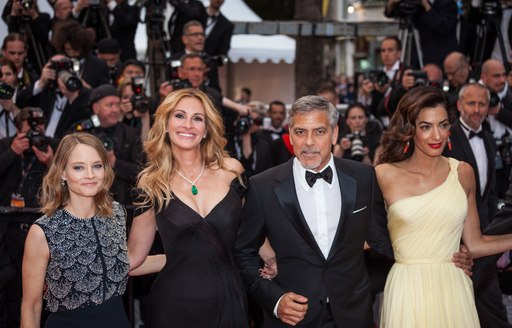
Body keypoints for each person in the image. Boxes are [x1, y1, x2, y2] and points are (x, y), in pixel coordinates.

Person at [376, 86, 512, 327]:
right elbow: (364, 237)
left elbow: (476, 244)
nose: (437, 136)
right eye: (426, 126)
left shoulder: (462, 172)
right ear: (410, 129)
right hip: (408, 288)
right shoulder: (384, 175)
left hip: (453, 286)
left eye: (443, 125)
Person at [128, 88, 249, 327]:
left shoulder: (232, 170)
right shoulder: (151, 183)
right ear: (165, 124)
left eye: (197, 118)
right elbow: (134, 258)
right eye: (180, 116)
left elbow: (251, 235)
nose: (188, 125)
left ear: (206, 129)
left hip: (230, 300)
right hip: (173, 307)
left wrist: (278, 261)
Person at [20, 132, 130, 327]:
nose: (90, 175)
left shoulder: (117, 214)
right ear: (63, 172)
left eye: (97, 166)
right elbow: (32, 306)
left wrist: (185, 256)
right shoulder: (43, 231)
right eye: (78, 167)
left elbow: (123, 262)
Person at [443, 82, 510, 328]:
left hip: (483, 239)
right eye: (471, 103)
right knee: (453, 307)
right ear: (459, 105)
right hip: (451, 243)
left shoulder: (490, 139)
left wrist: (491, 232)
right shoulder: (445, 138)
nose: (477, 109)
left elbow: (489, 193)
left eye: (482, 103)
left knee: (492, 308)